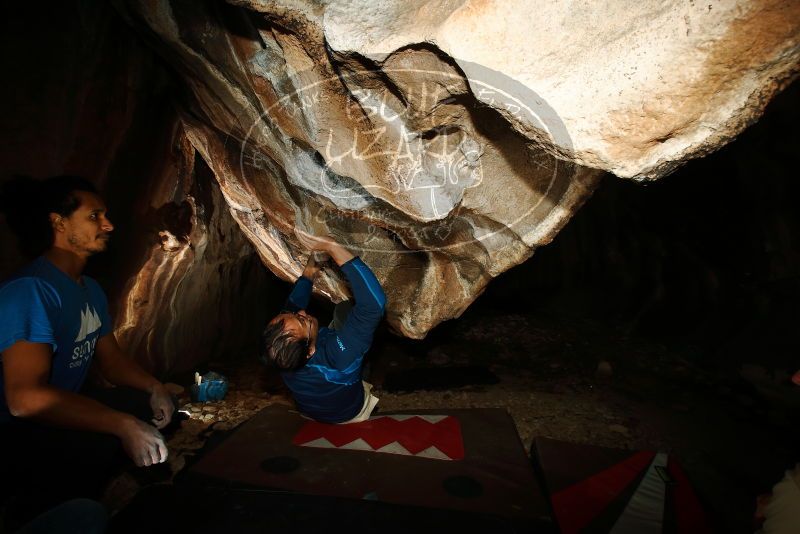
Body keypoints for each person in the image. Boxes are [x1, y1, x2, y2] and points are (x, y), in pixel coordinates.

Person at [0, 176, 176, 520]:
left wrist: (155, 388)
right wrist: (121, 424)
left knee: (148, 403)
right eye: (94, 216)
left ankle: (107, 489)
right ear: (59, 222)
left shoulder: (89, 289)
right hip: (16, 434)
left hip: (55, 419)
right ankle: (38, 508)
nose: (108, 225)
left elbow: (111, 361)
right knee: (119, 428)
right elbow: (24, 400)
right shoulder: (31, 291)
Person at [261, 231, 386, 423]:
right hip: (349, 413)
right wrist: (332, 246)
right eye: (302, 321)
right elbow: (372, 306)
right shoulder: (339, 357)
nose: (302, 313)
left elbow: (292, 309)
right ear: (310, 351)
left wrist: (311, 270)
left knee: (326, 325)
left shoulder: (284, 355)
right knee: (345, 310)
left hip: (311, 412)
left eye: (296, 316)